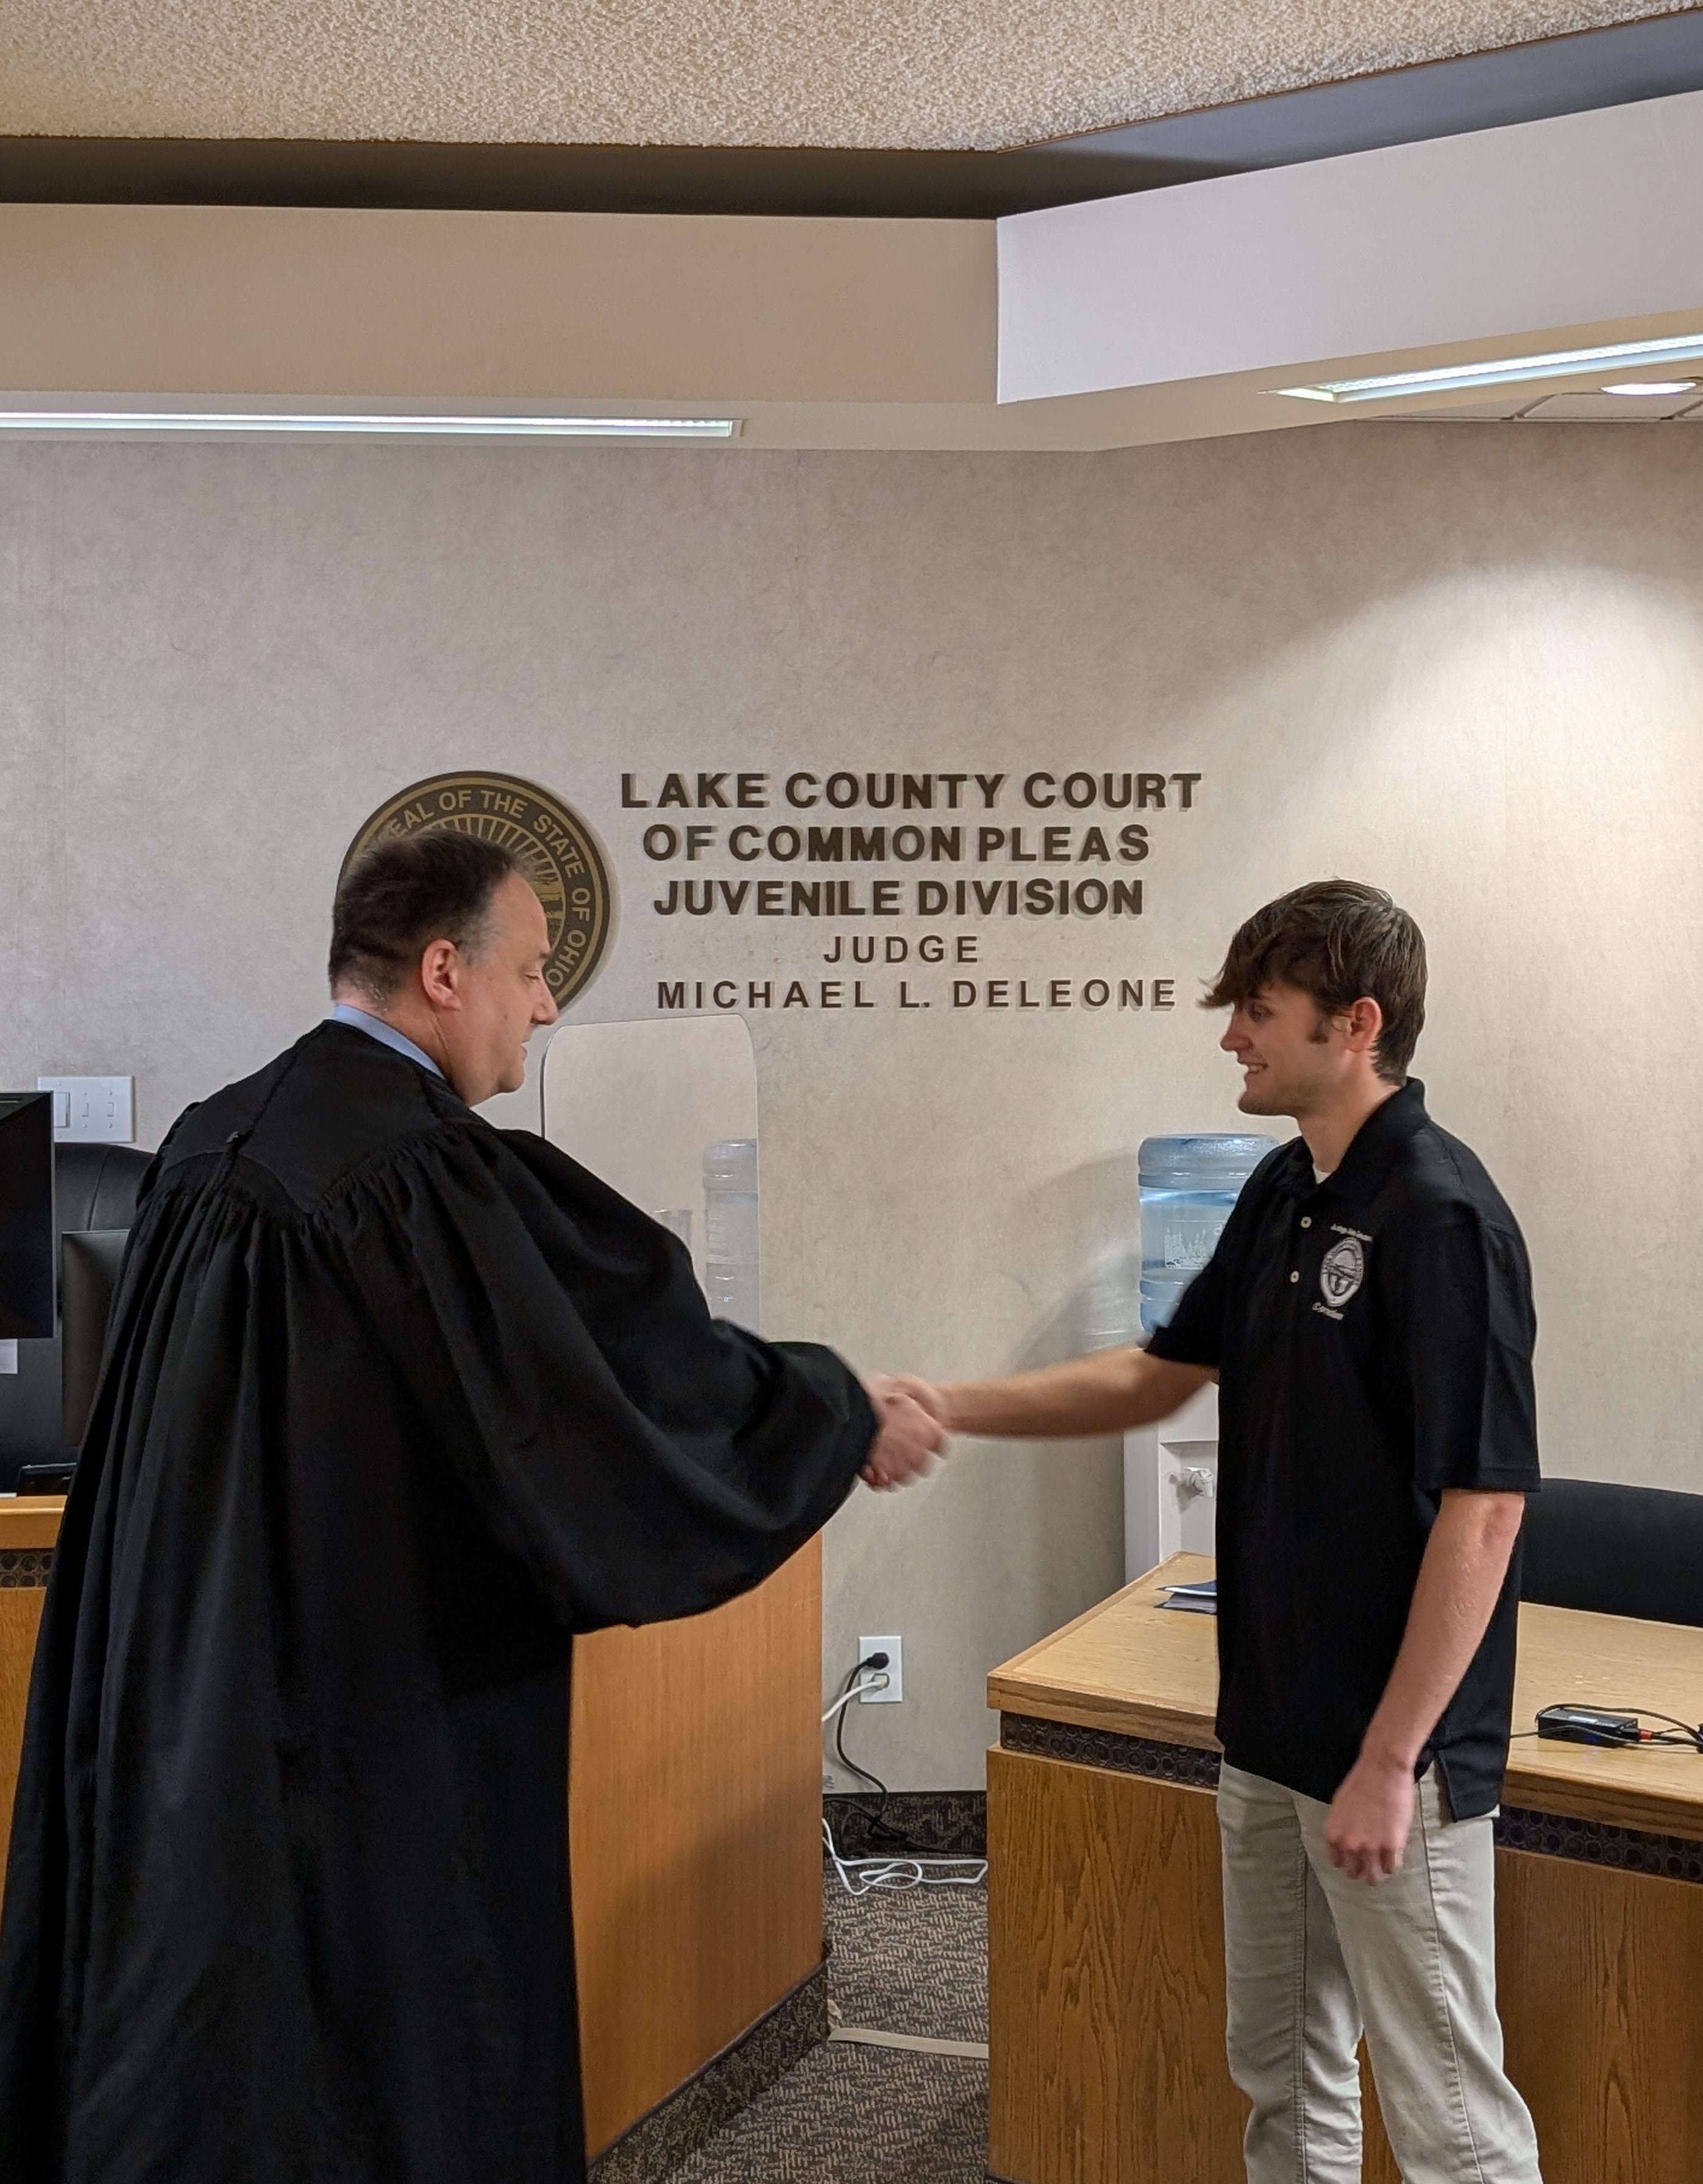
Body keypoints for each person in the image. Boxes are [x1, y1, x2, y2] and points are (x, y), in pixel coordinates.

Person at [0, 828, 944, 2184]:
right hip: (358, 1716)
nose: (550, 1007)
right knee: (364, 2049)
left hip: (181, 1696)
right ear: (446, 970)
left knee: (199, 2026)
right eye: (536, 968)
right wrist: (831, 1408)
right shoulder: (416, 1174)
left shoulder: (212, 1143)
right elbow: (600, 1393)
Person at [886, 880, 1543, 2184]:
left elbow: (1486, 1509)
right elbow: (1151, 1379)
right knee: (1283, 2082)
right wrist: (938, 1402)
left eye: (1259, 1010)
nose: (1230, 1037)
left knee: (1449, 2119)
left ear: (1356, 1024)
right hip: (1270, 1732)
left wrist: (1389, 1758)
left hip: (1390, 1760)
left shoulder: (1441, 1215)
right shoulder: (1286, 1191)